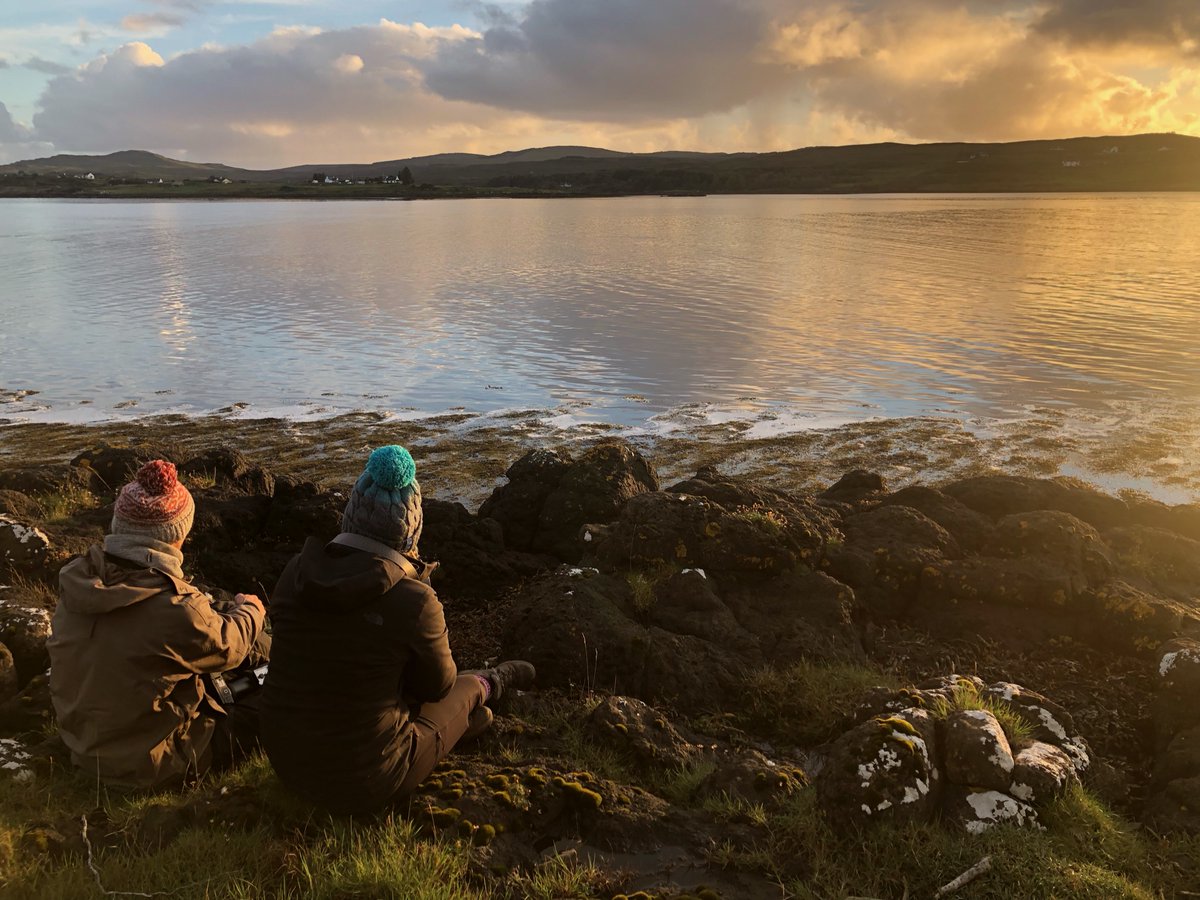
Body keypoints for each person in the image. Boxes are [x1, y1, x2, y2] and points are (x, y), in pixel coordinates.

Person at [259, 445, 534, 815]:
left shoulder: (296, 571)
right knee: (465, 685)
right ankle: (492, 683)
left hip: (286, 762)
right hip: (368, 778)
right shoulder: (414, 599)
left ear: (350, 516)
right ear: (411, 531)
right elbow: (437, 686)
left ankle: (458, 725)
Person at [47, 459, 269, 790]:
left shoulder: (79, 582)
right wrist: (251, 609)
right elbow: (229, 645)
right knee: (276, 696)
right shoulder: (175, 608)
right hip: (153, 765)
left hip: (86, 749)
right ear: (176, 534)